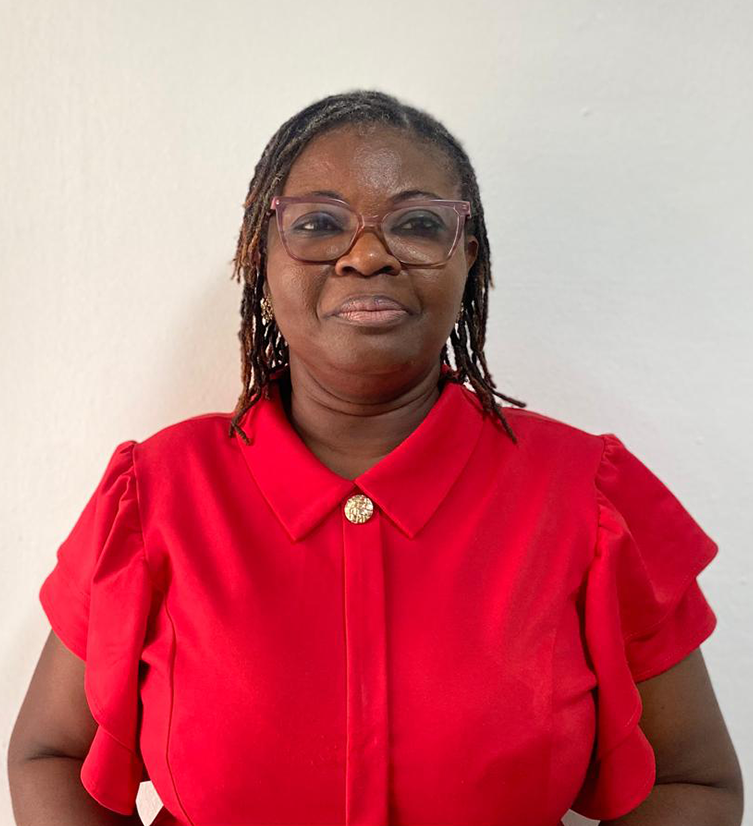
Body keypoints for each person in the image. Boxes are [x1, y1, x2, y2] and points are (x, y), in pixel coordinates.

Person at [8, 89, 743, 826]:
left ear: (467, 258)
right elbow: (51, 753)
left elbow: (694, 782)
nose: (366, 256)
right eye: (318, 224)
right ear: (260, 256)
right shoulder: (157, 492)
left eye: (418, 224)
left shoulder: (588, 498)